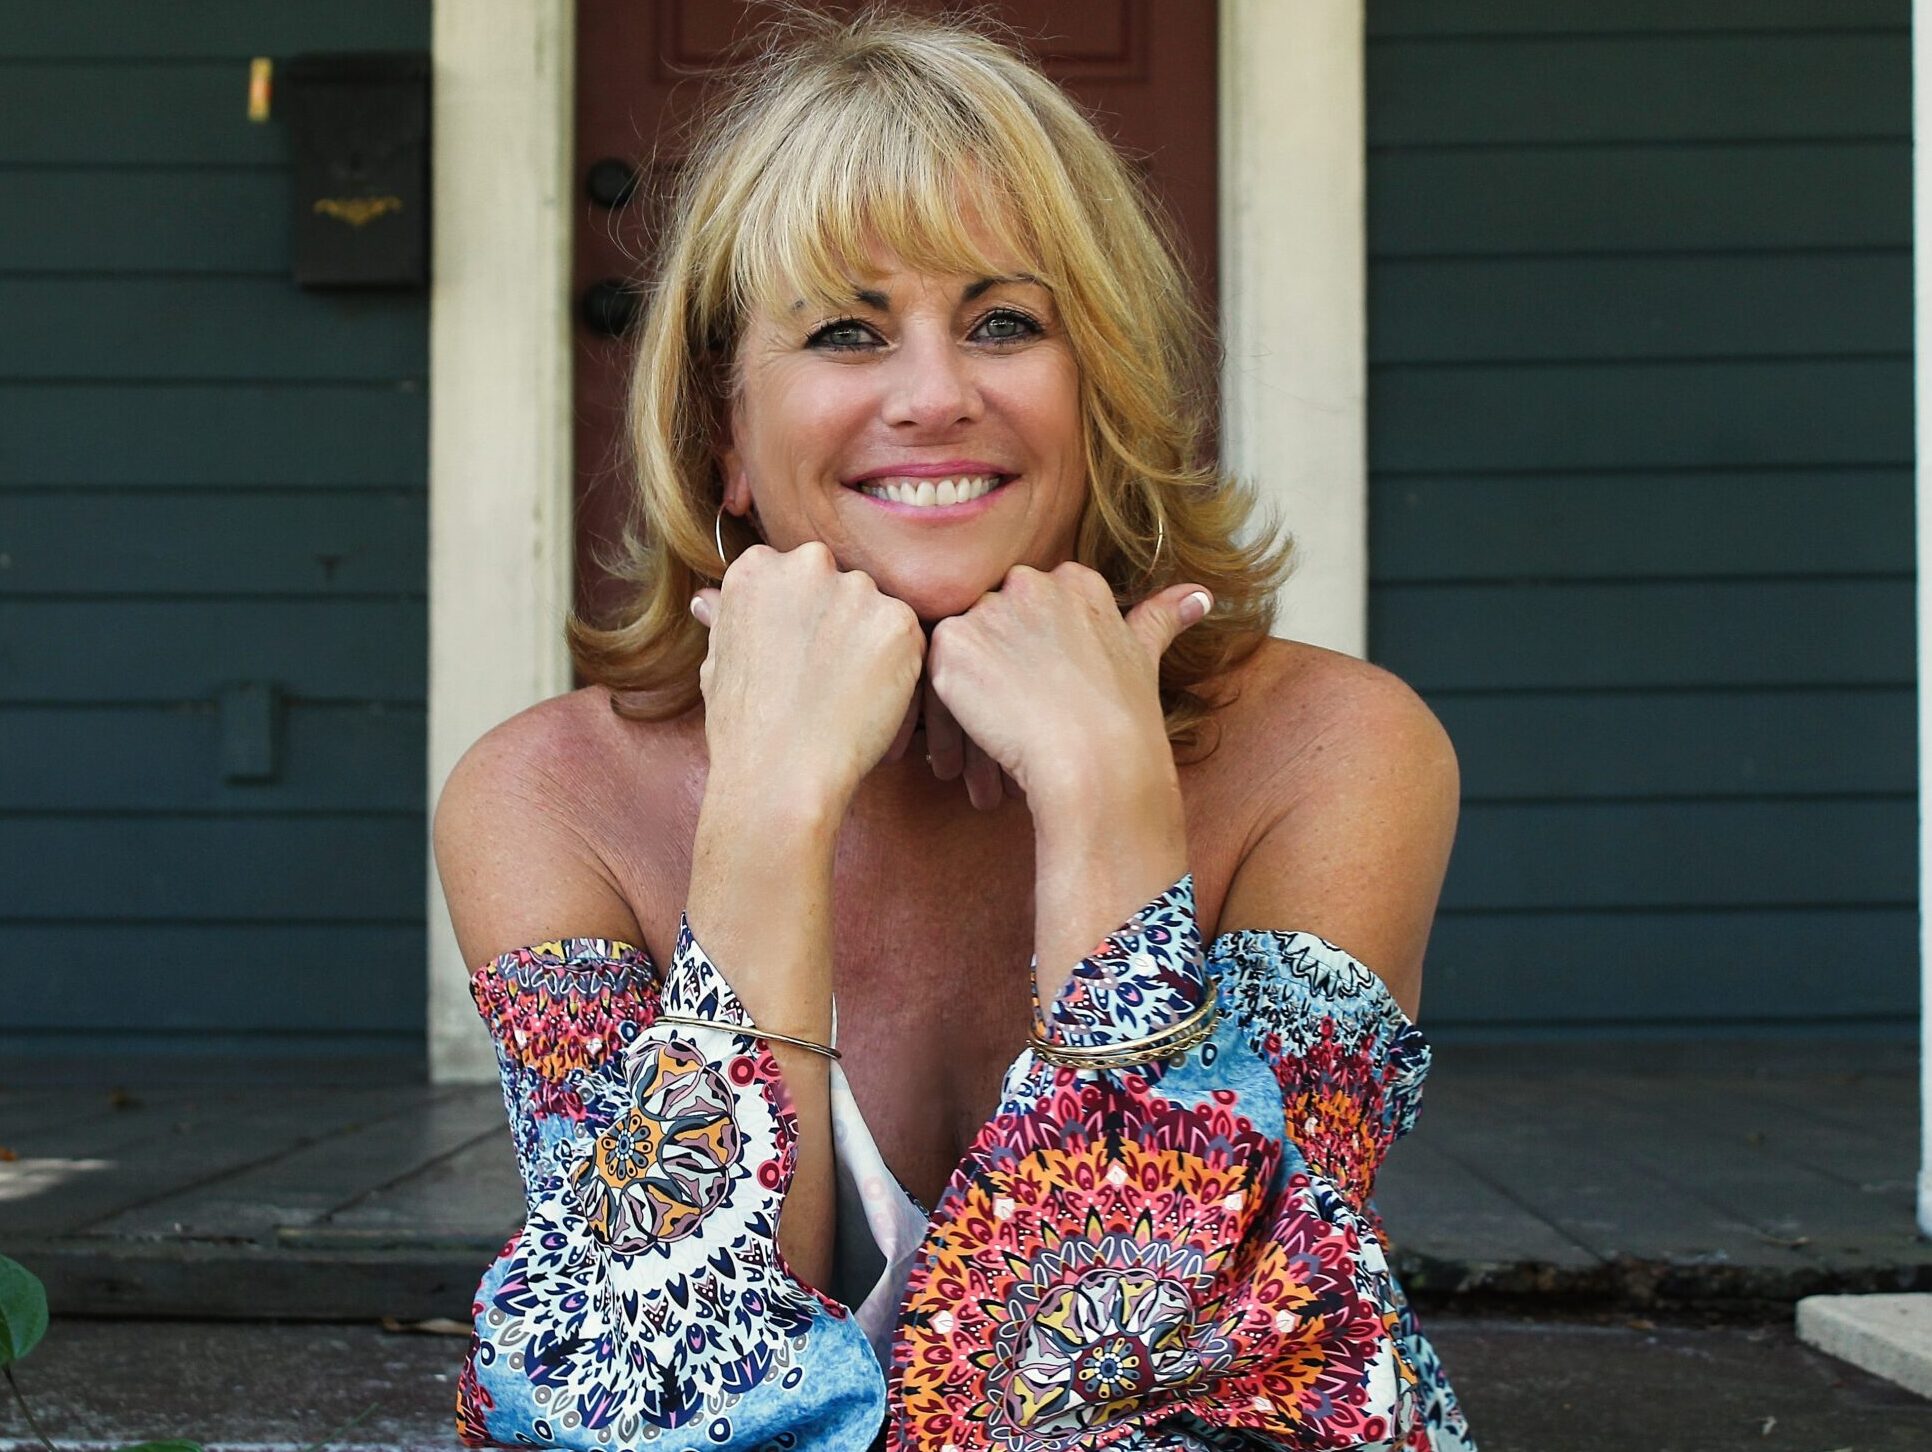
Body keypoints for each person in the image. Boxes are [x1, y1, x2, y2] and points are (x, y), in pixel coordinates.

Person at [433, 9, 1473, 1450]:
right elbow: (649, 1394)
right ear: (723, 426)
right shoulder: (546, 799)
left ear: (1099, 388)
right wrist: (769, 810)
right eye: (847, 331)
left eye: (1004, 323)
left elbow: (1215, 1382)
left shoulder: (1338, 757)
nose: (934, 397)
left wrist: (1112, 809)